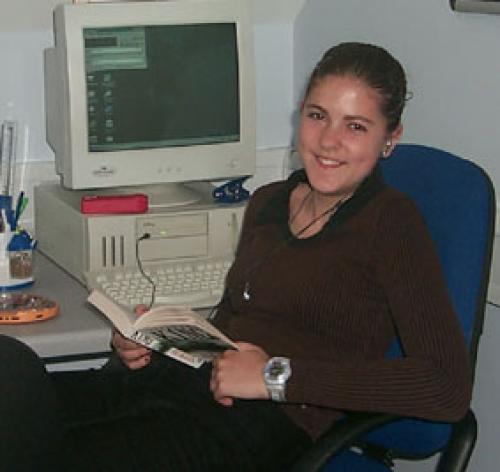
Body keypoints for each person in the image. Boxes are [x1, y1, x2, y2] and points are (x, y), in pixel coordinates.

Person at [0, 42, 471, 471]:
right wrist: (155, 343)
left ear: (390, 138)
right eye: (317, 115)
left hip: (263, 426)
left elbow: (446, 387)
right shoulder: (268, 202)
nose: (329, 141)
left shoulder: (392, 223)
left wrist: (275, 377)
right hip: (184, 387)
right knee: (12, 379)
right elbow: (231, 329)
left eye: (355, 127)